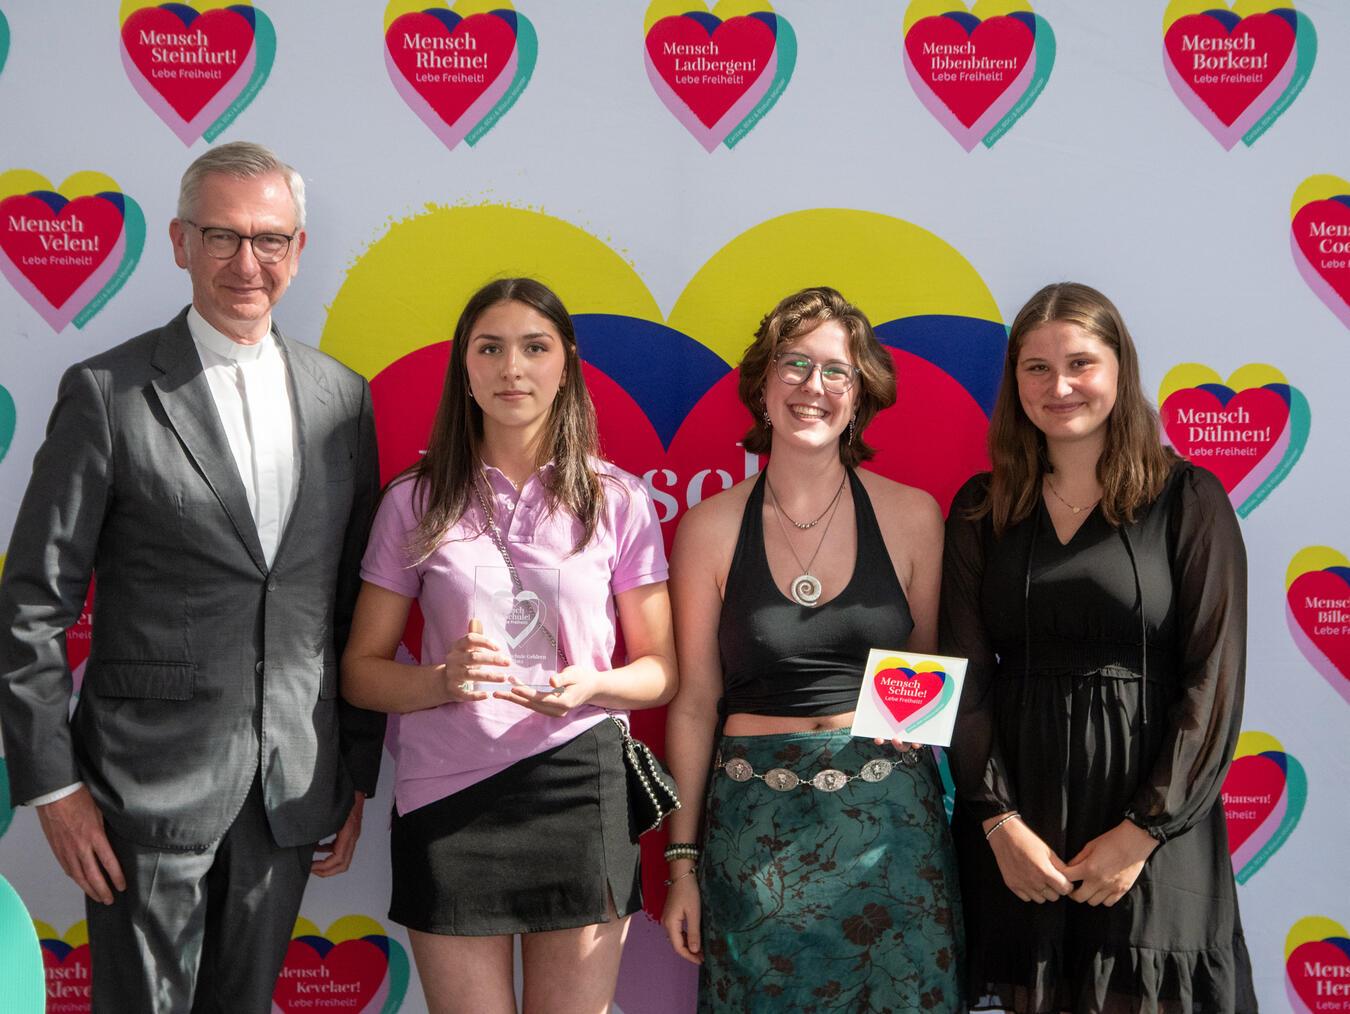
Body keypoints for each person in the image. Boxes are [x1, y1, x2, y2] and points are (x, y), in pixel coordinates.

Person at [0, 141, 385, 1011]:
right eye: (222, 237)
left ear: (298, 249)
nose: (247, 263)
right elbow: (32, 603)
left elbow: (352, 604)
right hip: (141, 793)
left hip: (292, 787)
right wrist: (55, 788)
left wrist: (352, 773)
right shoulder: (108, 392)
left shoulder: (342, 399)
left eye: (270, 240)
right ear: (178, 242)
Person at [341, 277, 676, 1014]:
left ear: (567, 364)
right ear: (464, 367)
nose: (511, 368)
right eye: (489, 348)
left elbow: (660, 673)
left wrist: (590, 686)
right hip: (447, 799)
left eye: (534, 347)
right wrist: (440, 681)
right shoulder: (413, 500)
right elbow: (361, 674)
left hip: (580, 788)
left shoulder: (617, 499)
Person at [941, 282, 1257, 1013]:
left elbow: (1215, 679)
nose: (1060, 387)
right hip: (1021, 830)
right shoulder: (979, 508)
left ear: (1120, 370)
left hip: (1155, 825)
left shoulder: (1190, 500)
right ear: (1013, 380)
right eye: (1037, 368)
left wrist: (1145, 829)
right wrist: (996, 821)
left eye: (1081, 363)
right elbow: (963, 678)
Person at [660, 286, 964, 1011]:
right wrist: (682, 863)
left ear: (860, 396)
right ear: (762, 386)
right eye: (794, 365)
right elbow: (696, 703)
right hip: (754, 840)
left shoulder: (912, 515)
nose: (813, 387)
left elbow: (925, 684)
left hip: (891, 834)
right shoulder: (708, 528)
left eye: (836, 371)